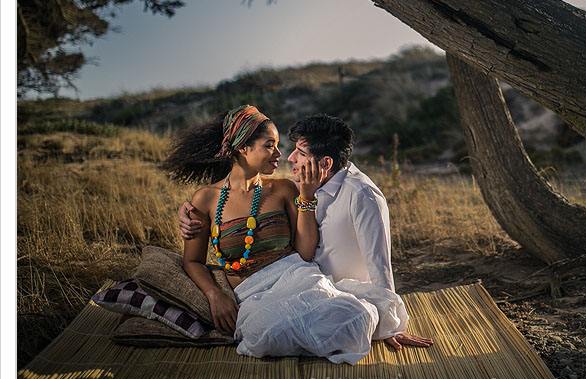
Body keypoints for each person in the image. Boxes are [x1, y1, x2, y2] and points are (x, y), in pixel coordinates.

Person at [165, 105, 419, 365]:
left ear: (325, 163)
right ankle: (308, 330)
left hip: (299, 277)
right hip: (253, 292)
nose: (282, 155)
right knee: (262, 334)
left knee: (357, 318)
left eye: (286, 148)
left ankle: (318, 326)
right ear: (243, 148)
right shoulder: (206, 199)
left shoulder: (290, 188)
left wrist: (306, 200)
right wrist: (215, 295)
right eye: (270, 145)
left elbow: (310, 253)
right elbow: (192, 260)